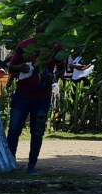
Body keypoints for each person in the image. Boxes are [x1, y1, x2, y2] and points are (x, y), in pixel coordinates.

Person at [6, 24, 67, 175]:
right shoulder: (25, 45)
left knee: (37, 132)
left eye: (46, 28)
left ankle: (32, 165)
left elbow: (62, 69)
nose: (42, 30)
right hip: (22, 95)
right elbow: (10, 66)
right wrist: (20, 67)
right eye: (40, 28)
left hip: (42, 96)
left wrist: (52, 76)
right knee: (14, 130)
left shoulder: (56, 47)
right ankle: (10, 164)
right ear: (36, 29)